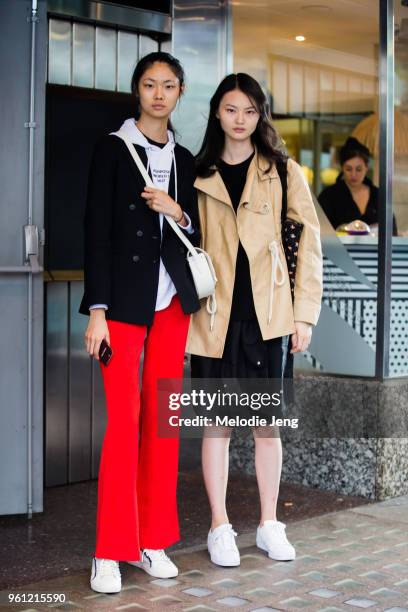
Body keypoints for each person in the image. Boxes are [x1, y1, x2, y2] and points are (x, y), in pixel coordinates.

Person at [186, 73, 323, 567]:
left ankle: (269, 523)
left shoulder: (285, 172)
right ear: (216, 113)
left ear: (260, 114)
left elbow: (308, 247)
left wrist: (304, 315)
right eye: (230, 110)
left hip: (269, 318)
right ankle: (219, 526)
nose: (240, 120)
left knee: (267, 426)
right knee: (218, 425)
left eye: (249, 110)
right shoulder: (197, 172)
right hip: (214, 317)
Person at [79, 52, 200, 594]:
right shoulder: (112, 149)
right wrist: (97, 312)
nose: (158, 93)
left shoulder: (187, 159)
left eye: (168, 85)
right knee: (124, 423)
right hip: (121, 308)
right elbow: (95, 233)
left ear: (179, 93)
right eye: (150, 84)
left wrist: (176, 209)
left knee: (162, 423)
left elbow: (196, 234)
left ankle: (152, 542)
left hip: (172, 305)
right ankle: (110, 551)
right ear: (137, 91)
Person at [318, 137, 398, 234]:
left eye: (359, 169)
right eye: (348, 169)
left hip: (376, 249)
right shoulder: (328, 196)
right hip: (338, 249)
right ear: (342, 168)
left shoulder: (378, 195)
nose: (354, 174)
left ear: (367, 168)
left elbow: (392, 230)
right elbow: (319, 230)